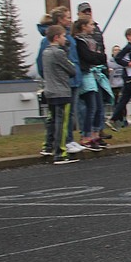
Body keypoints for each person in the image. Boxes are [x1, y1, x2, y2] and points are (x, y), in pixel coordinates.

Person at [41, 24, 78, 164]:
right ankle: (60, 153)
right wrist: (66, 52)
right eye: (63, 36)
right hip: (62, 92)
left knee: (52, 120)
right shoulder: (59, 53)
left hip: (50, 91)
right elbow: (72, 69)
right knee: (62, 123)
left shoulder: (46, 52)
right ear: (57, 37)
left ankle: (48, 145)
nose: (65, 39)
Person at [73, 16, 107, 151]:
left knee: (98, 106)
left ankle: (95, 133)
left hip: (94, 75)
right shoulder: (79, 41)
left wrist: (98, 58)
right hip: (86, 75)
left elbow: (100, 57)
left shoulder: (91, 40)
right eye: (91, 25)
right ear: (84, 26)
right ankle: (86, 136)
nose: (93, 27)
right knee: (90, 107)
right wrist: (98, 57)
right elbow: (88, 57)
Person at [109, 29, 131, 128]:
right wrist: (127, 64)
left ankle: (115, 118)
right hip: (129, 76)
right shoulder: (127, 47)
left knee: (127, 99)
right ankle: (114, 118)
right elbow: (118, 58)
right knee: (125, 99)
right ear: (128, 37)